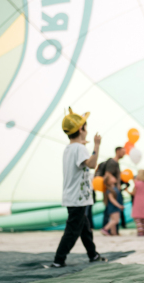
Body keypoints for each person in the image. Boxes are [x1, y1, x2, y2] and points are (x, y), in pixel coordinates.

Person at [52, 108, 105, 267]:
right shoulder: (80, 149)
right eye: (86, 128)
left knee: (84, 229)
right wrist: (96, 146)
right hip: (78, 198)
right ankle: (58, 259)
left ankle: (93, 255)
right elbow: (92, 164)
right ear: (81, 129)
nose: (87, 131)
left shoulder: (69, 148)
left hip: (73, 196)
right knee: (73, 231)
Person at [102, 146, 126, 230]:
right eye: (123, 152)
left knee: (114, 211)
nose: (124, 154)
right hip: (112, 191)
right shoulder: (112, 162)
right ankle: (106, 229)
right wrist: (111, 188)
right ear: (117, 151)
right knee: (111, 210)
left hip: (115, 190)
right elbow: (107, 175)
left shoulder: (116, 163)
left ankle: (113, 231)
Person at [130, 170, 144, 236]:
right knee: (143, 218)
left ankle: (140, 231)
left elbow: (133, 193)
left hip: (138, 200)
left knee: (137, 217)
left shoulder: (137, 183)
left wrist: (127, 190)